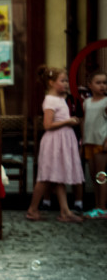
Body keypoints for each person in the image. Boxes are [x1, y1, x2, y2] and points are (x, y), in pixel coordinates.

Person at [25, 66, 85, 223]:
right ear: (51, 82)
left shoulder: (60, 99)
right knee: (45, 176)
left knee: (58, 176)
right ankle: (32, 209)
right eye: (62, 81)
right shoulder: (50, 100)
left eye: (66, 81)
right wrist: (68, 121)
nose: (66, 84)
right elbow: (47, 125)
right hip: (54, 141)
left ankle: (65, 211)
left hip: (62, 139)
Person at [81, 69, 107, 218]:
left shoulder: (106, 102)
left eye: (104, 83)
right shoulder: (87, 102)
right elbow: (85, 121)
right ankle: (97, 205)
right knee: (93, 176)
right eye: (98, 83)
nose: (102, 86)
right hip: (89, 142)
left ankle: (102, 208)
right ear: (90, 85)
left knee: (101, 175)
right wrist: (83, 141)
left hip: (100, 142)